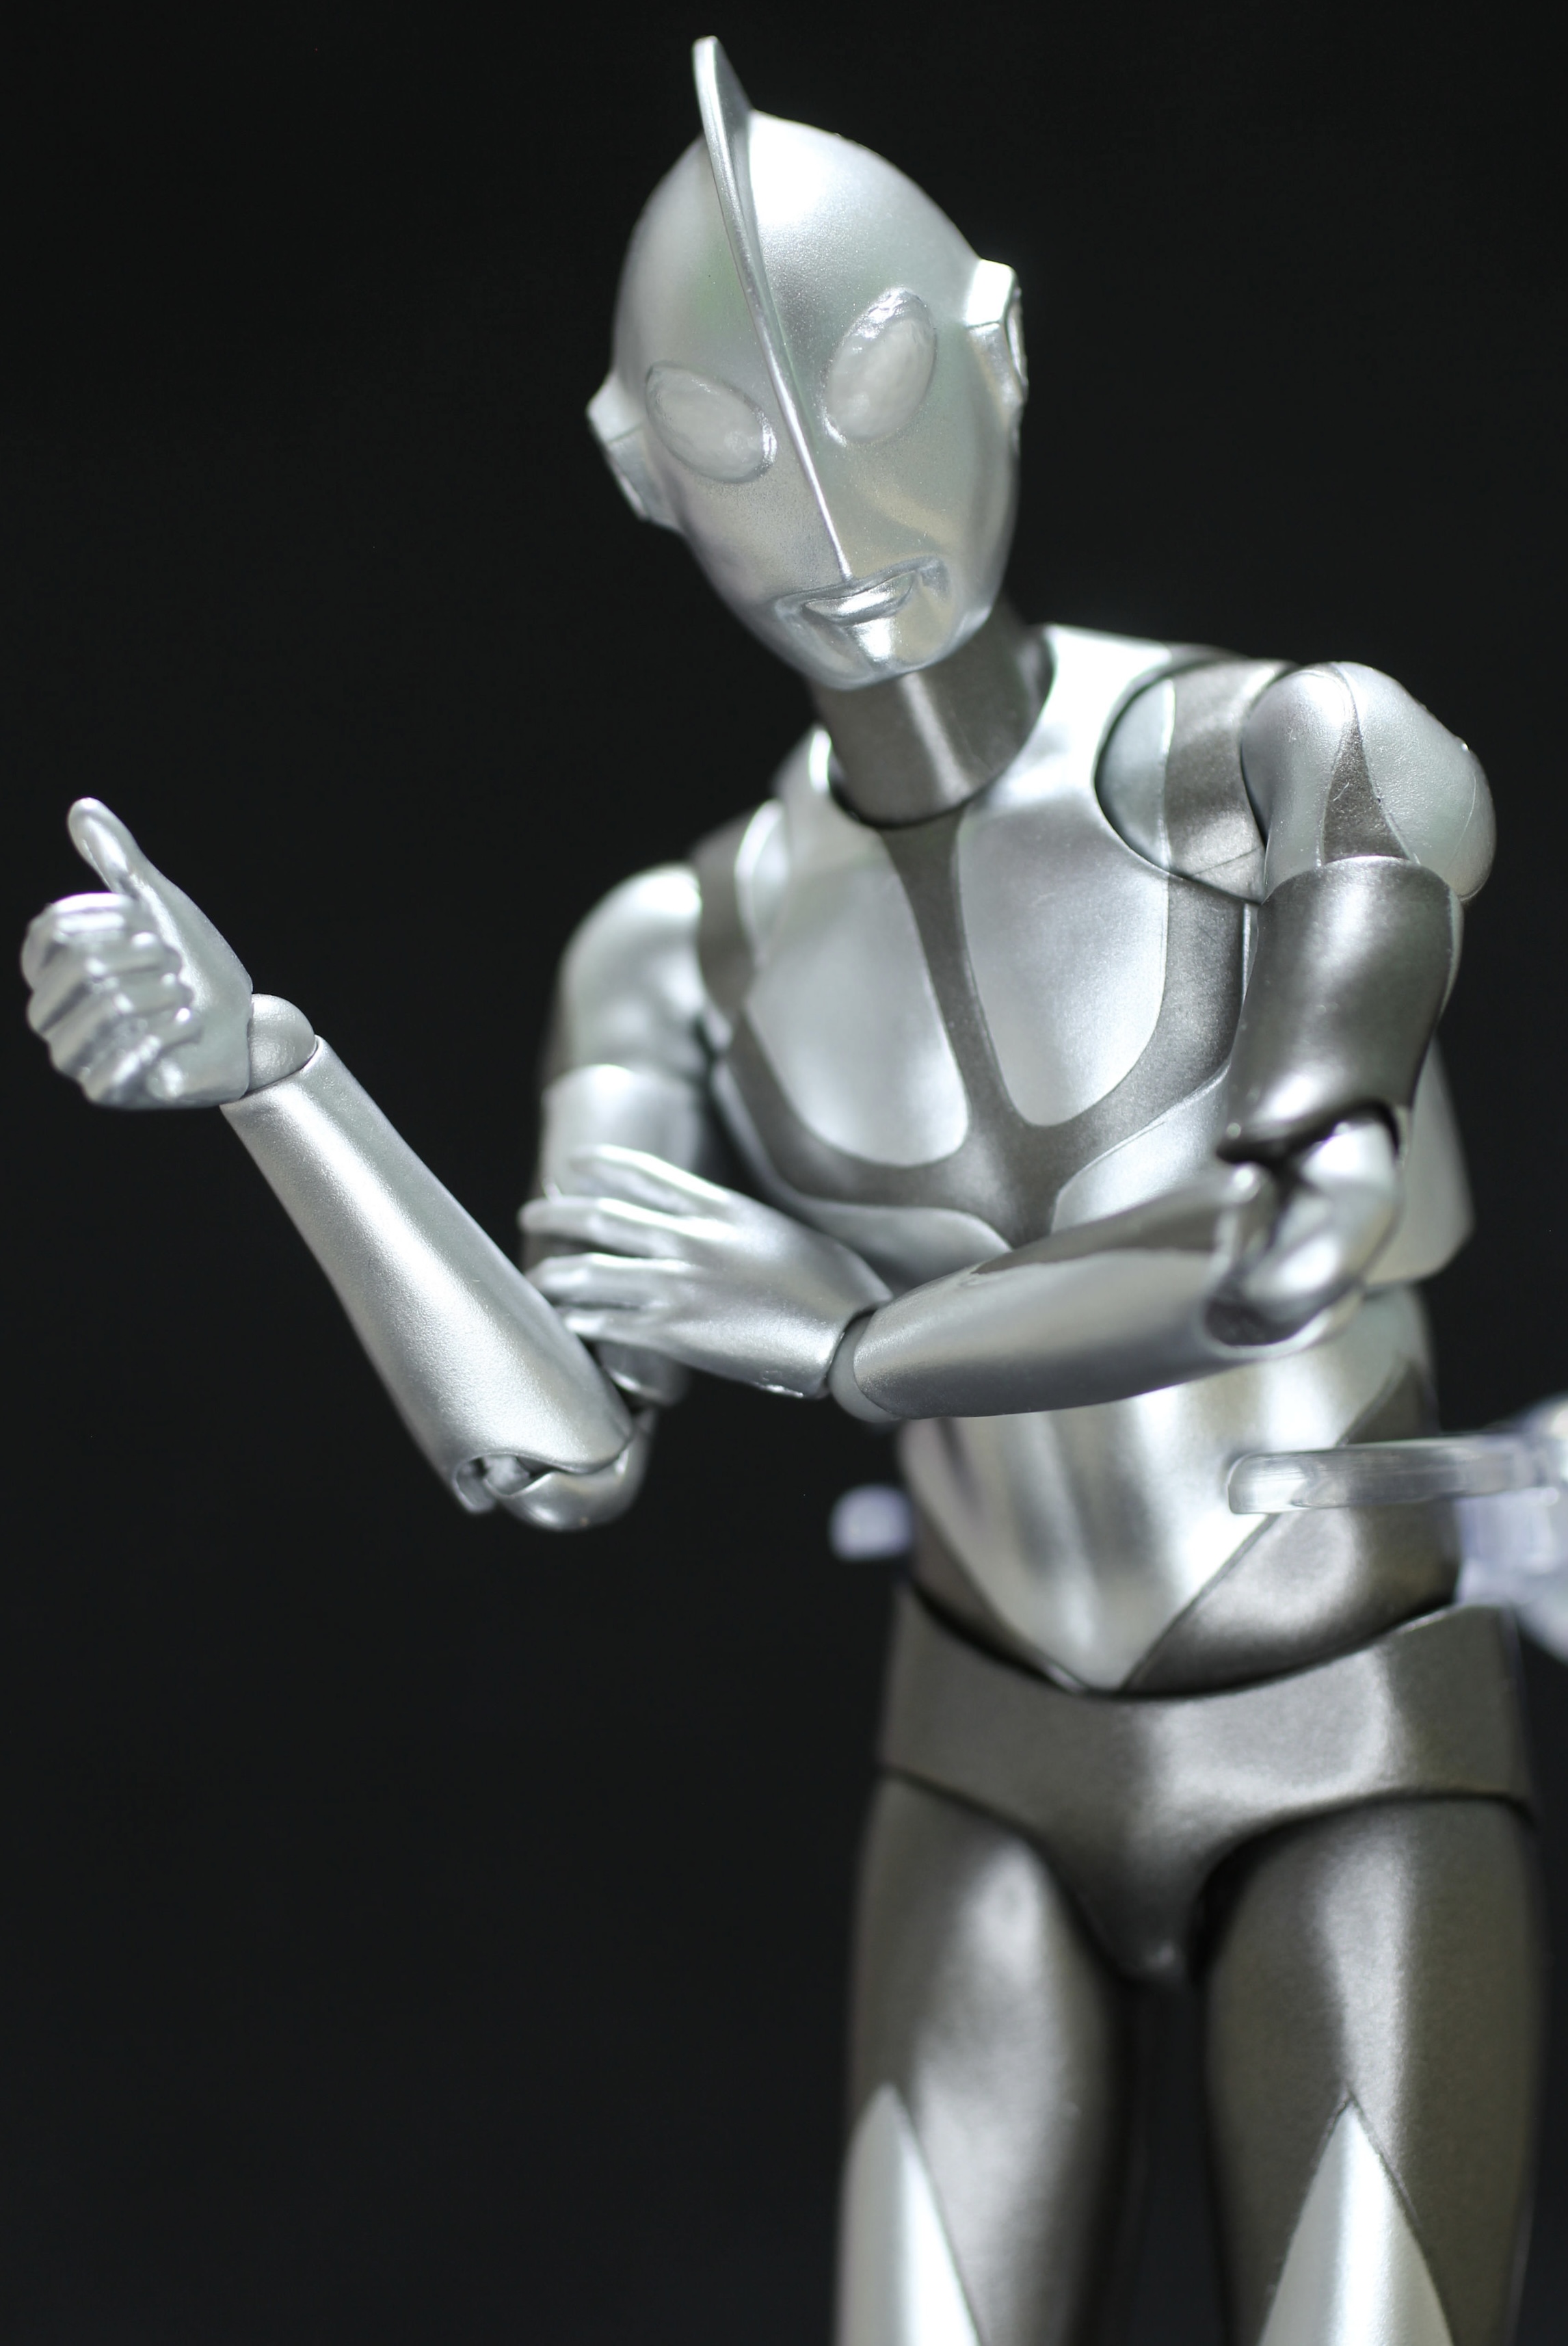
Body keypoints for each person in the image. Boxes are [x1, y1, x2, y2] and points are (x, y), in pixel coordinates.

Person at [21, 40, 1539, 2346]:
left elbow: (1287, 1249)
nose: (831, 513)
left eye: (872, 385)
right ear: (639, 472)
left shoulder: (1297, 758)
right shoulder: (680, 945)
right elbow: (560, 1449)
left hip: (1351, 1743)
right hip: (985, 1768)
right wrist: (281, 1084)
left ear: (998, 345)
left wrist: (846, 1338)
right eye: (733, 441)